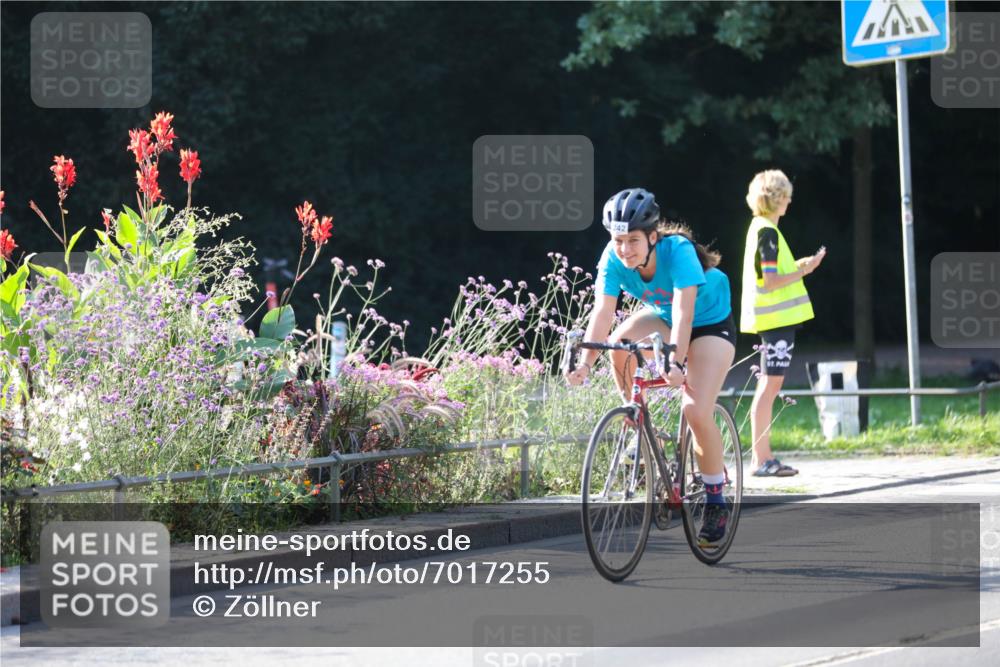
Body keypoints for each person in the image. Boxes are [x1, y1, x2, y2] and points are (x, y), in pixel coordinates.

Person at [565, 187, 736, 547]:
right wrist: (584, 363)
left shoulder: (679, 252)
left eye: (633, 241)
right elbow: (603, 311)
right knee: (620, 348)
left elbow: (685, 312)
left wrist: (675, 360)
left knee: (694, 409)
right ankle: (641, 428)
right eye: (618, 240)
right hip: (663, 317)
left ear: (653, 237)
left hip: (709, 323)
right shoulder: (612, 257)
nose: (624, 249)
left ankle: (716, 499)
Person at [739, 169, 826, 477]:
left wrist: (799, 266)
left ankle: (761, 459)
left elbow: (770, 274)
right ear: (776, 199)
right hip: (775, 321)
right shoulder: (768, 232)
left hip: (771, 319)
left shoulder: (760, 228)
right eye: (786, 195)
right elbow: (772, 280)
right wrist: (805, 270)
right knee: (769, 386)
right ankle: (762, 460)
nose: (790, 200)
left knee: (768, 385)